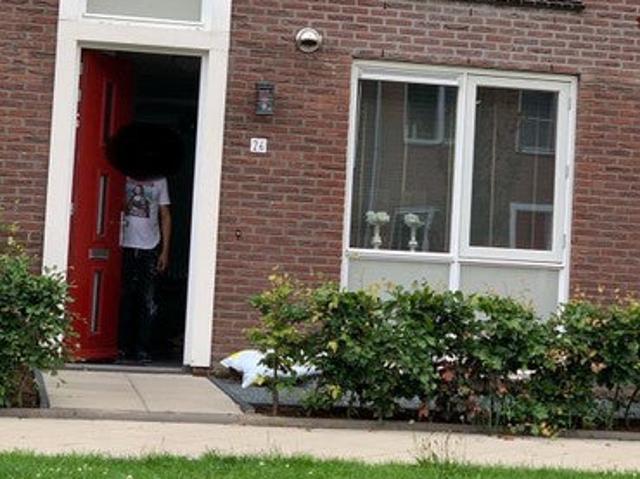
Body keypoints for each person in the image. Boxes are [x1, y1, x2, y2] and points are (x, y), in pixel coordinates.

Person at [118, 176, 171, 363]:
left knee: (147, 300)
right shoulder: (123, 174)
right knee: (123, 297)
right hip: (123, 244)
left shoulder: (160, 179)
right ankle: (121, 347)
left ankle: (142, 349)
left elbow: (165, 215)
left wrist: (165, 251)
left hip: (150, 246)